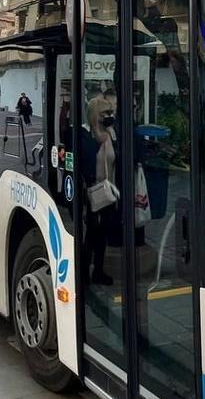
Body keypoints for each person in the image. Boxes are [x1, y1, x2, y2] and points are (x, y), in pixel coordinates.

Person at [78, 95, 117, 286]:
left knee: (103, 235)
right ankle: (84, 271)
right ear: (95, 115)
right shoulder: (87, 136)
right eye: (104, 113)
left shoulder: (110, 134)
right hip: (93, 191)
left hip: (109, 191)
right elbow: (86, 162)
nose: (109, 116)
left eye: (111, 112)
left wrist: (110, 132)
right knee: (91, 234)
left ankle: (98, 271)